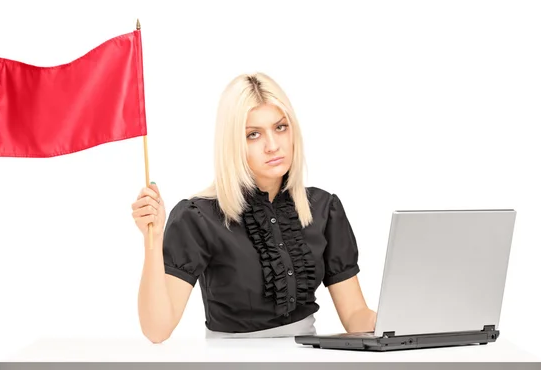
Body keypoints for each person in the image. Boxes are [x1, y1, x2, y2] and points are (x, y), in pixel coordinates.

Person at [132, 73, 377, 343]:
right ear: (232, 144)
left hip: (307, 360)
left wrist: (396, 321)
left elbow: (355, 315)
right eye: (253, 135)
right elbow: (157, 330)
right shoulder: (198, 217)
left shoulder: (323, 208)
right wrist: (152, 240)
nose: (272, 146)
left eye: (280, 127)